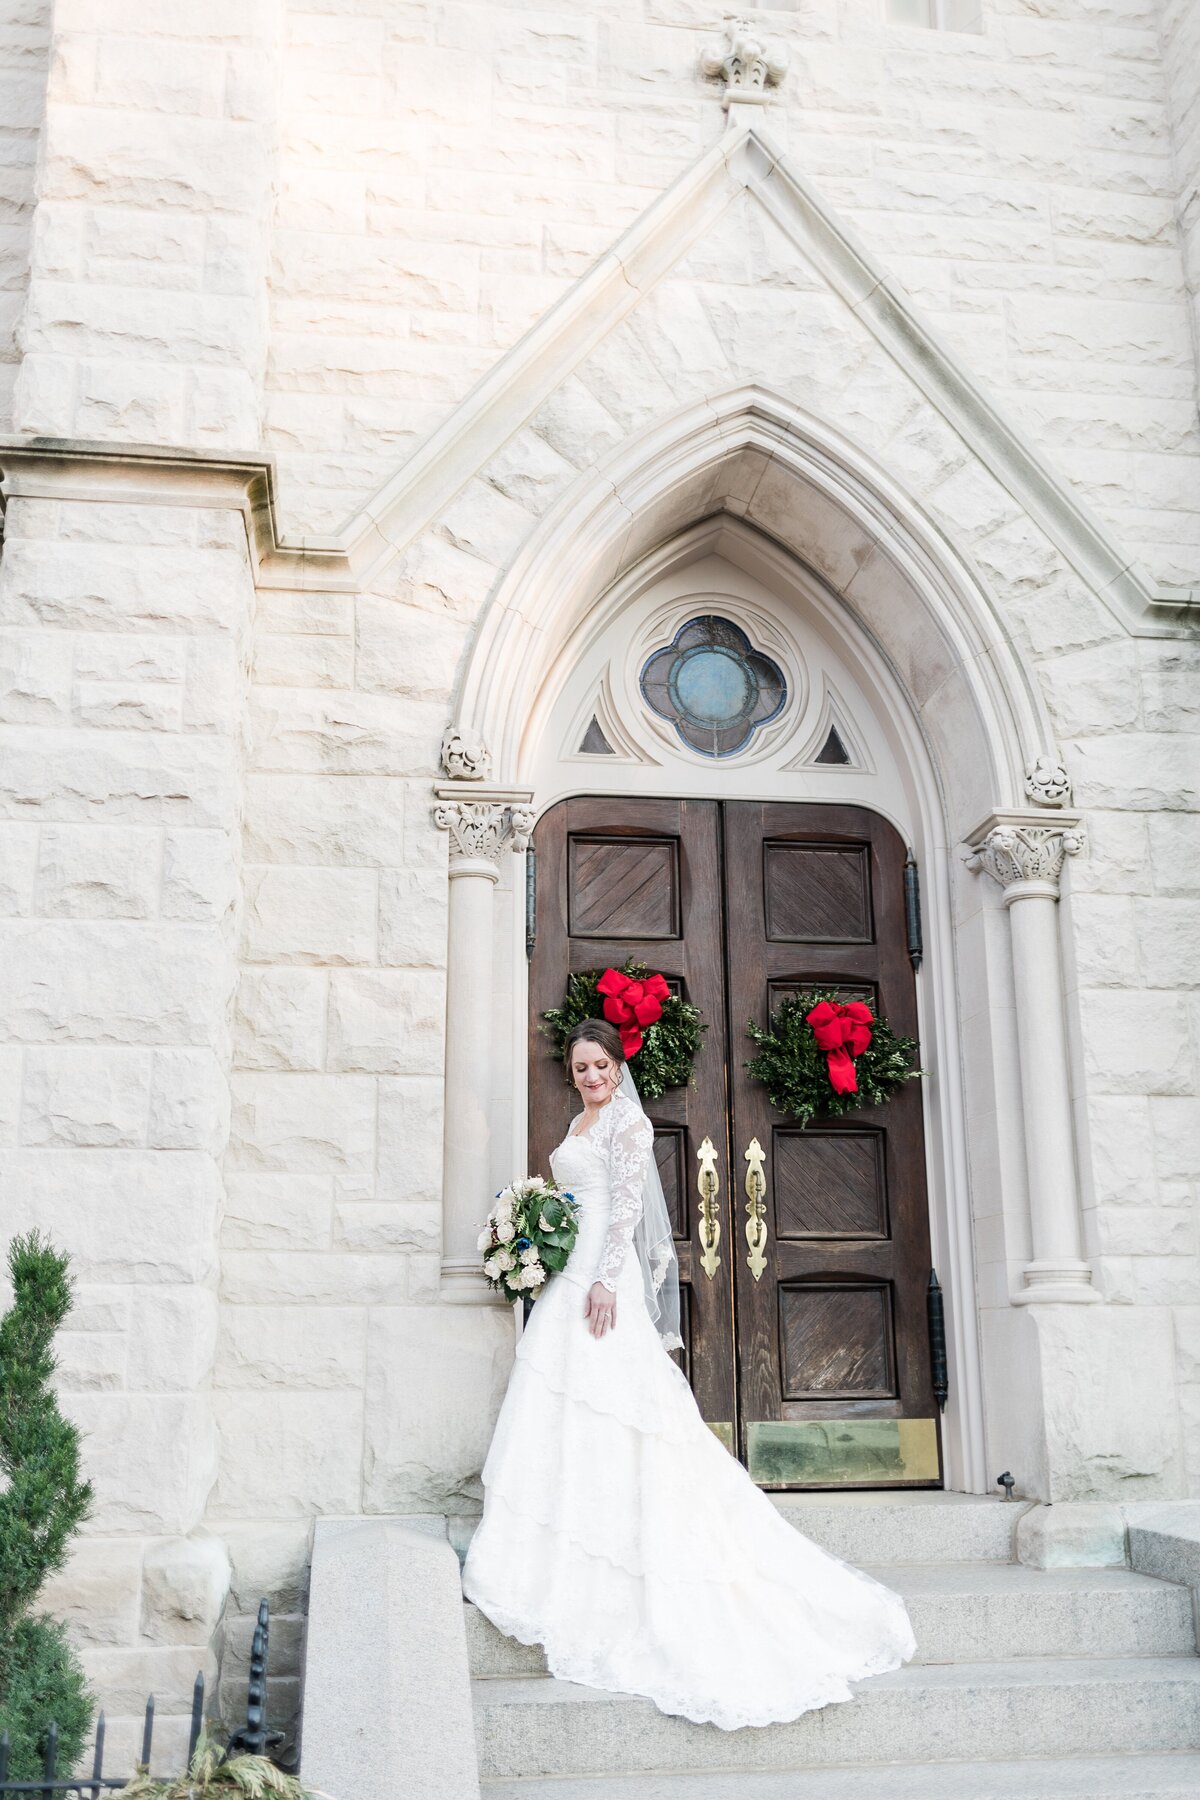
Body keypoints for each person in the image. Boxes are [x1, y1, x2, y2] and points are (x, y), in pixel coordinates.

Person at [462, 1018, 916, 1730]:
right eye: (580, 1068)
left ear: (618, 1066)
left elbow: (628, 1217)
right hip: (565, 1280)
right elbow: (574, 1206)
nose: (590, 1077)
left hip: (598, 1286)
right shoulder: (579, 1122)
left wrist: (608, 1283)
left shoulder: (629, 1127)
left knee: (620, 1410)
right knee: (563, 1407)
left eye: (600, 1066)